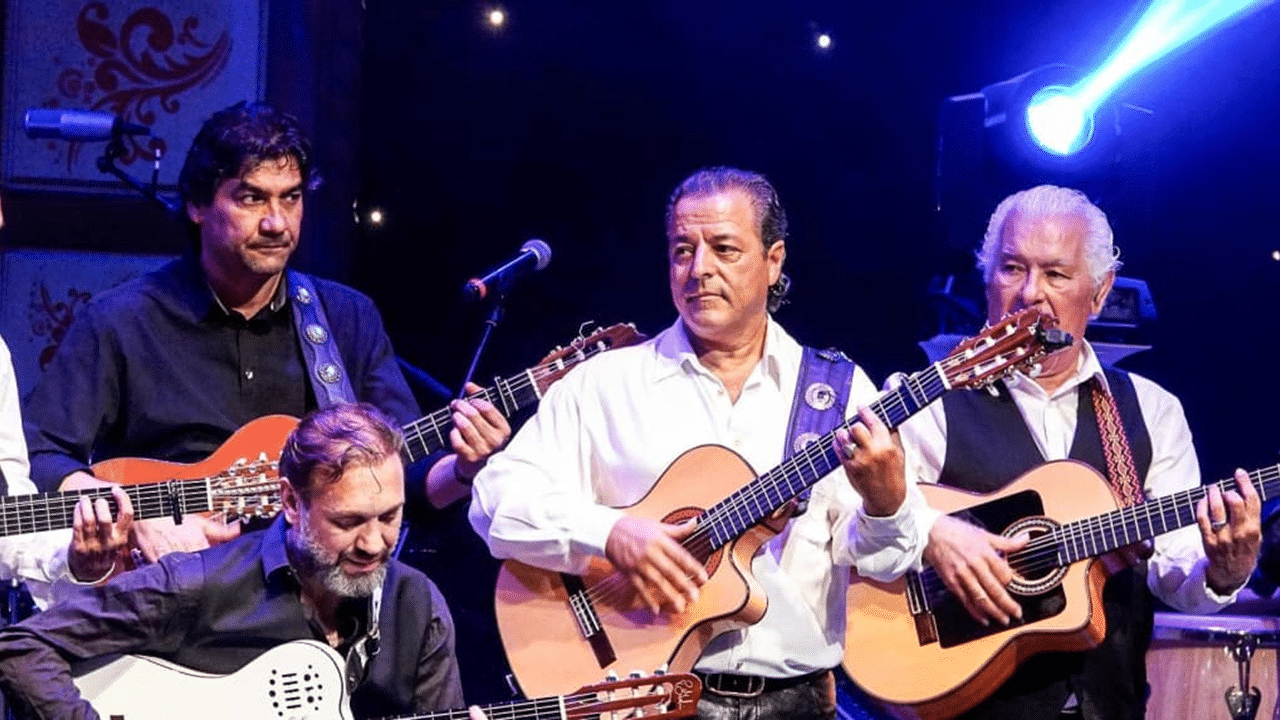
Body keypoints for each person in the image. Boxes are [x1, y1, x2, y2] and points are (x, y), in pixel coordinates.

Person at [468, 166, 929, 720]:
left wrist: (887, 501)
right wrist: (611, 534)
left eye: (725, 249)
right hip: (645, 697)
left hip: (798, 703)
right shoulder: (605, 382)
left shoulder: (837, 391)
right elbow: (495, 498)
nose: (699, 269)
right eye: (682, 250)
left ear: (774, 260)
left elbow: (886, 563)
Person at [19, 101, 509, 598]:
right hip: (163, 599)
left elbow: (401, 479)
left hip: (308, 604)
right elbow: (40, 452)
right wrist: (128, 514)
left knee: (425, 614)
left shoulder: (345, 317)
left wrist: (464, 469)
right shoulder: (122, 319)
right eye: (252, 199)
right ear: (198, 205)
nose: (277, 222)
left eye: (291, 198)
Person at [900, 184, 1261, 719]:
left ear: (1099, 291)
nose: (1029, 294)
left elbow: (1175, 570)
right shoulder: (927, 398)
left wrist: (1224, 572)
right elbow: (868, 534)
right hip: (961, 695)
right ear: (986, 278)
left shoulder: (1151, 411)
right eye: (1011, 268)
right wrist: (933, 535)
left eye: (1055, 274)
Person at [0, 402, 493, 720]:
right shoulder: (198, 584)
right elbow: (20, 648)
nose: (373, 543)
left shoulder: (416, 605)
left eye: (390, 517)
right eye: (348, 522)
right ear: (292, 503)